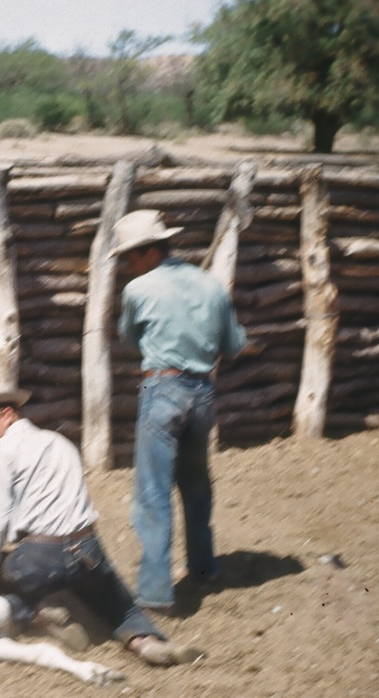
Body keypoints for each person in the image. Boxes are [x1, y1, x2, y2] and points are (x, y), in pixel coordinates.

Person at [0, 379, 205, 667]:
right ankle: (145, 642)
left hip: (40, 556)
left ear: (7, 415)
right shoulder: (59, 443)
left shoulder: (1, 452)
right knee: (119, 604)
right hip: (87, 548)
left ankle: (35, 616)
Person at [114, 209, 250, 614]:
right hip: (202, 392)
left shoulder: (139, 289)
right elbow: (234, 345)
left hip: (163, 389)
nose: (126, 265)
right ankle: (204, 567)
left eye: (129, 257)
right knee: (195, 483)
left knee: (152, 493)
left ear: (148, 252)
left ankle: (155, 593)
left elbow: (128, 339)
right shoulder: (211, 284)